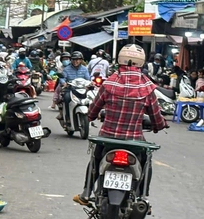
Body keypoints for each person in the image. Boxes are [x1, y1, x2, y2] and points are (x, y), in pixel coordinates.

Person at [75, 44, 167, 206]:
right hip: (134, 141)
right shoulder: (147, 88)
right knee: (146, 161)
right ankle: (142, 198)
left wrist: (91, 117)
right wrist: (159, 126)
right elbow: (156, 116)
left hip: (108, 139)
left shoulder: (109, 84)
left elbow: (93, 109)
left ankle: (86, 192)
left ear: (120, 60)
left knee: (95, 160)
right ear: (141, 62)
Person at [59, 51, 91, 124]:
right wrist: (64, 83)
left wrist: (90, 83)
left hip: (82, 90)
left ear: (81, 60)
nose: (75, 61)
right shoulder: (66, 69)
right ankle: (67, 118)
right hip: (70, 89)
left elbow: (88, 79)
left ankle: (90, 117)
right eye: (73, 59)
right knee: (67, 98)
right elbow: (62, 78)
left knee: (90, 99)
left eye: (77, 59)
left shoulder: (84, 69)